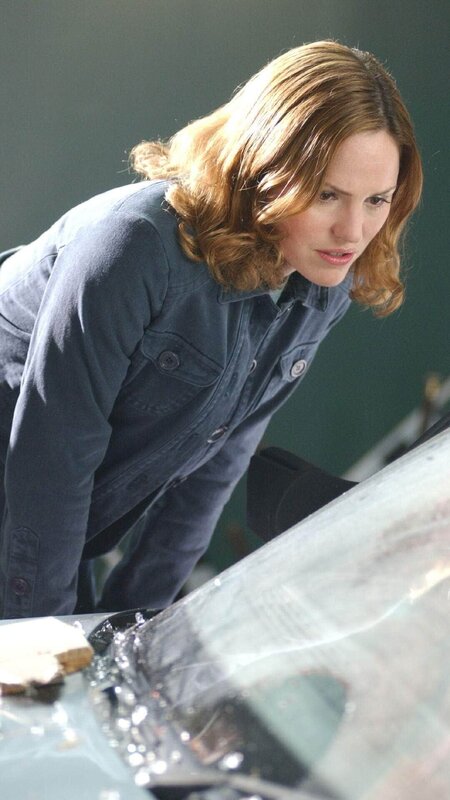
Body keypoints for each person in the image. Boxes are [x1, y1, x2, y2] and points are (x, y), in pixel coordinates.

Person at [0, 41, 422, 619]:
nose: (353, 231)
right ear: (266, 169)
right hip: (32, 502)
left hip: (43, 525)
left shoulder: (322, 278)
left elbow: (217, 466)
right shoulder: (135, 244)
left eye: (377, 200)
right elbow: (55, 459)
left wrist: (135, 627)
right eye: (327, 194)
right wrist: (45, 641)